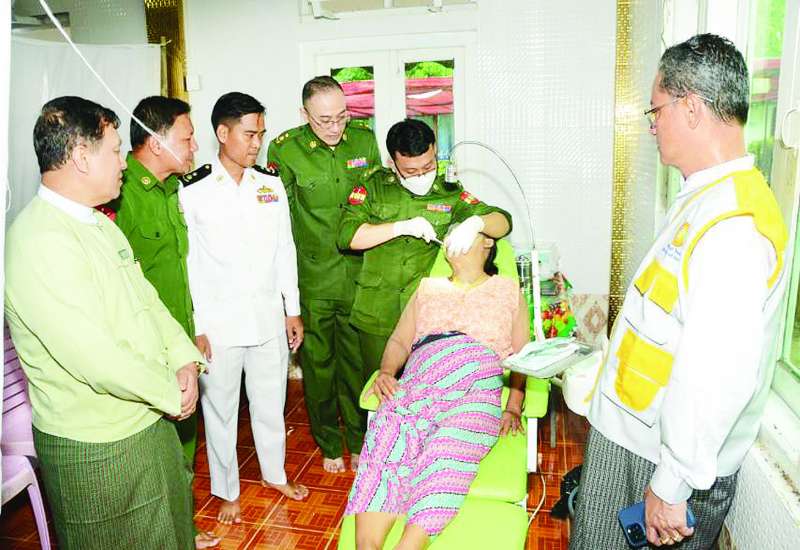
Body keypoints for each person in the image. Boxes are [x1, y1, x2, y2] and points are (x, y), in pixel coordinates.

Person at [570, 34, 788, 549]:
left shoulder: (733, 225)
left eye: (657, 110)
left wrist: (671, 486)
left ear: (690, 108)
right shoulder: (704, 198)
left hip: (657, 461)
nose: (652, 124)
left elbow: (718, 370)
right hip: (636, 439)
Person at [4, 96, 204, 549]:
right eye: (115, 151)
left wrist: (183, 358)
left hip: (148, 416)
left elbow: (148, 302)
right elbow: (93, 355)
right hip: (98, 442)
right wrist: (169, 392)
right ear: (80, 156)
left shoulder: (98, 224)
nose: (124, 163)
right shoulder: (38, 241)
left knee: (171, 535)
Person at [345, 232, 529, 550]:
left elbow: (523, 356)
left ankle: (408, 547)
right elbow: (400, 341)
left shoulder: (508, 291)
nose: (452, 238)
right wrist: (387, 371)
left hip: (476, 387)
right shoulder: (428, 289)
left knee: (447, 450)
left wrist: (513, 404)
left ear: (488, 242)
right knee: (387, 436)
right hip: (420, 380)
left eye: (464, 232)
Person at [180, 92, 308, 526]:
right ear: (223, 132)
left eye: (261, 134)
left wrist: (292, 308)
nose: (257, 143)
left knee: (271, 404)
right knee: (220, 412)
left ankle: (275, 474)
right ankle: (226, 490)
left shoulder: (270, 186)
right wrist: (197, 326)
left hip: (268, 318)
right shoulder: (192, 191)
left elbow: (285, 249)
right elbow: (189, 265)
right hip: (218, 324)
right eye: (249, 134)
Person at [337, 118, 513, 407]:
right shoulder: (373, 187)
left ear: (435, 152)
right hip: (377, 311)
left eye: (428, 166)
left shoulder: (449, 190)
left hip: (425, 316)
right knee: (375, 394)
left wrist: (476, 222)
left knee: (424, 397)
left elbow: (503, 221)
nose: (421, 175)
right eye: (411, 171)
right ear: (392, 163)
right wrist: (400, 227)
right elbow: (347, 237)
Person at [267, 76, 382, 474]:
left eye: (341, 117)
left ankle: (360, 439)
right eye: (324, 120)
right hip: (313, 280)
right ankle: (329, 443)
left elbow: (376, 203)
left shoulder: (364, 141)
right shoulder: (285, 150)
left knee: (357, 366)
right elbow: (278, 220)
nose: (335, 127)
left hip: (357, 275)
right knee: (318, 368)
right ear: (305, 115)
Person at [111, 96, 199, 465]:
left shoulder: (173, 188)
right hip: (146, 348)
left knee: (185, 446)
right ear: (156, 143)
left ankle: (183, 504)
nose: (195, 146)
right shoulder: (119, 195)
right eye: (187, 138)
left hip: (179, 336)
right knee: (155, 455)